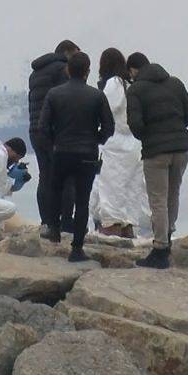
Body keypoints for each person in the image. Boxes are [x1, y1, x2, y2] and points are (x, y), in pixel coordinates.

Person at [37, 52, 115, 261]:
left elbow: (42, 127)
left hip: (62, 151)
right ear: (88, 71)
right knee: (82, 200)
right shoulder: (97, 96)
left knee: (55, 189)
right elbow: (109, 127)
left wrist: (54, 143)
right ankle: (77, 248)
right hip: (87, 154)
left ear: (67, 70)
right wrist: (96, 140)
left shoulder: (54, 94)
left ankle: (54, 230)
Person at [127, 55, 188, 269]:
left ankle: (159, 249)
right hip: (182, 148)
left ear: (133, 70)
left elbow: (136, 126)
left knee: (157, 199)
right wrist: (175, 128)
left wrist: (151, 134)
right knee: (172, 194)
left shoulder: (136, 90)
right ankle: (167, 237)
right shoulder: (175, 83)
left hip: (156, 151)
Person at [90, 49, 151, 238]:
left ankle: (111, 226)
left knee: (111, 186)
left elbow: (104, 108)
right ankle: (128, 226)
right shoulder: (130, 85)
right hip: (134, 144)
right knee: (132, 188)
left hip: (116, 144)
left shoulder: (113, 83)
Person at [29, 40, 80, 233]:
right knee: (67, 177)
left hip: (35, 130)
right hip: (56, 131)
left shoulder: (35, 73)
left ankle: (46, 221)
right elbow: (67, 100)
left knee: (45, 176)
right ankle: (66, 222)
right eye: (76, 54)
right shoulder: (62, 70)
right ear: (67, 52)